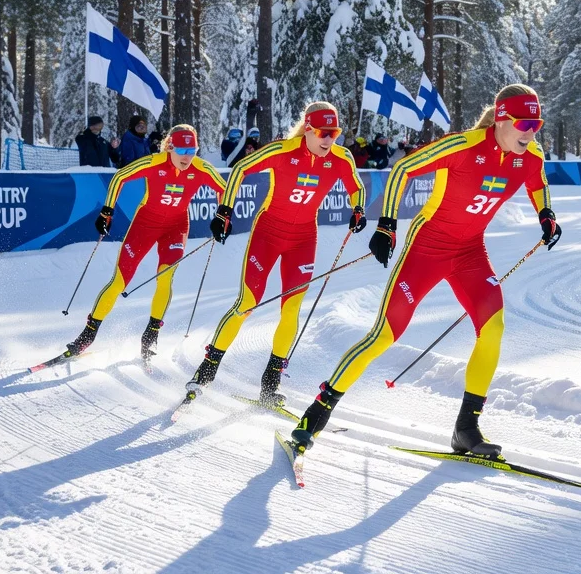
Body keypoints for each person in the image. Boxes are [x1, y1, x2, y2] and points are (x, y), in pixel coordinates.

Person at [286, 83, 562, 459]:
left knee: (493, 327)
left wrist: (545, 214)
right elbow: (402, 169)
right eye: (523, 123)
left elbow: (538, 181)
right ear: (501, 118)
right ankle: (313, 417)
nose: (531, 132)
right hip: (426, 249)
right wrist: (386, 224)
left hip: (470, 253)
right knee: (384, 335)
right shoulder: (463, 146)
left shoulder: (530, 155)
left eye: (537, 124)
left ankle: (466, 429)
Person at [188, 103, 366, 406]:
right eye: (324, 133)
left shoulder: (340, 157)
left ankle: (270, 383)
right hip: (267, 234)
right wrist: (224, 210)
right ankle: (207, 368)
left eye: (334, 133)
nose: (329, 139)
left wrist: (358, 209)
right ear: (308, 129)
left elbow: (356, 186)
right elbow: (242, 168)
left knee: (291, 309)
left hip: (303, 239)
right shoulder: (284, 151)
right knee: (247, 302)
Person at [58, 126, 226, 364]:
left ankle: (151, 334)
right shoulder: (154, 162)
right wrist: (107, 211)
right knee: (119, 281)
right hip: (144, 225)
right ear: (170, 147)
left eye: (193, 149)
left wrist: (222, 216)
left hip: (176, 227)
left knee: (165, 278)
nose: (187, 156)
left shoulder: (201, 168)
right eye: (182, 150)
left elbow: (225, 191)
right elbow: (120, 177)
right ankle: (88, 333)